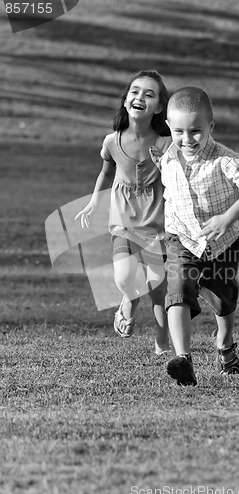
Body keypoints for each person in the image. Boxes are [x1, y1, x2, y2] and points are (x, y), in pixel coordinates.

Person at [152, 86, 239, 385]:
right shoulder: (167, 159)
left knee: (222, 301)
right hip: (182, 241)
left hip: (222, 245)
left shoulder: (225, 159)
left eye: (196, 131)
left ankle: (225, 344)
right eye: (179, 131)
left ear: (211, 126)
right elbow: (169, 199)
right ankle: (183, 359)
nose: (187, 139)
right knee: (177, 292)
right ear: (168, 127)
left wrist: (228, 218)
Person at [75, 70, 171, 355]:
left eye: (149, 94)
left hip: (158, 222)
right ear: (126, 99)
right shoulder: (111, 141)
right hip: (123, 221)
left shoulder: (167, 144)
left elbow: (177, 177)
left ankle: (162, 342)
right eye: (135, 91)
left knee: (156, 286)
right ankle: (129, 300)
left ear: (159, 107)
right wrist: (94, 202)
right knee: (124, 278)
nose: (140, 96)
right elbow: (105, 174)